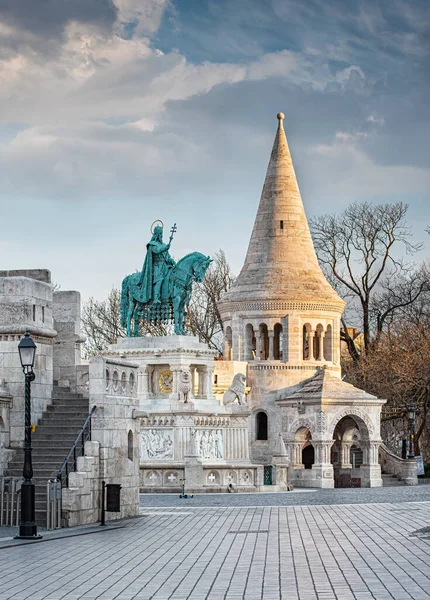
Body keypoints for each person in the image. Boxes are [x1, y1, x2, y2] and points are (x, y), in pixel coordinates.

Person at [138, 226, 176, 304]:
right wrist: (165, 248)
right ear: (156, 234)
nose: (161, 235)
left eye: (162, 234)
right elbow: (156, 251)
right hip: (157, 266)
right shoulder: (152, 244)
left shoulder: (163, 244)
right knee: (160, 280)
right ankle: (156, 297)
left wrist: (171, 260)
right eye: (160, 234)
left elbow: (167, 257)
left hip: (165, 266)